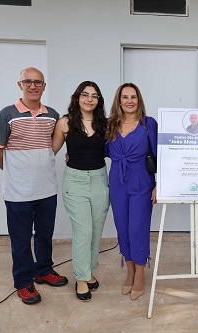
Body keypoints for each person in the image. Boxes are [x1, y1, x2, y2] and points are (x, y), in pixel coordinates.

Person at [0, 67, 68, 305]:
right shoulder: (6, 115)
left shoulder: (53, 115)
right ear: (19, 85)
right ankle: (23, 282)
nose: (33, 86)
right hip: (17, 193)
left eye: (38, 82)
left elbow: (54, 144)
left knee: (44, 235)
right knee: (21, 239)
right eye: (28, 82)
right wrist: (15, 172)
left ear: (44, 86)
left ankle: (44, 271)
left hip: (47, 190)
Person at [52, 81, 110, 302]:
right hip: (75, 183)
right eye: (85, 95)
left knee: (95, 231)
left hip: (99, 180)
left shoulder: (105, 124)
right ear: (77, 98)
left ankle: (88, 270)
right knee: (83, 232)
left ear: (98, 101)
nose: (89, 99)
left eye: (94, 96)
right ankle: (81, 279)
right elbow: (51, 152)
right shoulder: (65, 123)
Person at [104, 83, 157, 301]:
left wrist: (159, 183)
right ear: (119, 100)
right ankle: (130, 270)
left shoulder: (148, 124)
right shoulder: (109, 125)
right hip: (117, 180)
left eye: (133, 97)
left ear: (139, 99)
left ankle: (140, 274)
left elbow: (160, 154)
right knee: (122, 227)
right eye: (124, 97)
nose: (129, 101)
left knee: (137, 228)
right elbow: (98, 150)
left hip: (141, 181)